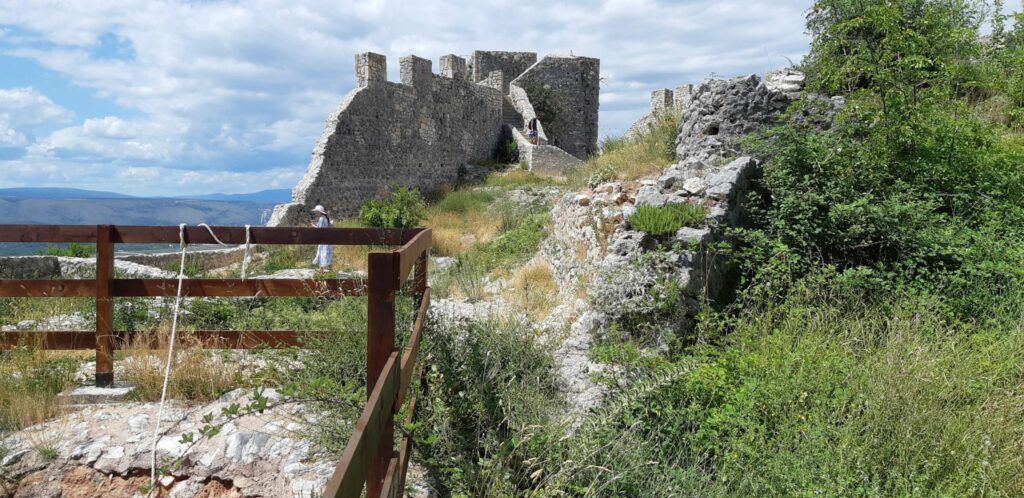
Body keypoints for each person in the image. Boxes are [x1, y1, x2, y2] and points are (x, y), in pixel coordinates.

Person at [310, 205, 333, 271]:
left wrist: (313, 225)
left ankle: (321, 269)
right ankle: (330, 269)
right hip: (328, 238)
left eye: (316, 212)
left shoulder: (321, 218)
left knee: (322, 252)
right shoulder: (326, 218)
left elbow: (319, 229)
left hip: (323, 239)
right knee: (327, 253)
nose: (315, 213)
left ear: (319, 212)